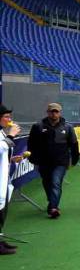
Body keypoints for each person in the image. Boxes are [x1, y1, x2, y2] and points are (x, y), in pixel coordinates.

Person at [27, 102, 79, 218]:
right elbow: (31, 143)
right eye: (52, 111)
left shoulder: (68, 127)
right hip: (44, 161)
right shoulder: (38, 126)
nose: (54, 114)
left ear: (60, 113)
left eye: (56, 111)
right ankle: (52, 200)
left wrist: (75, 158)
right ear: (48, 112)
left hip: (61, 161)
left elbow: (74, 144)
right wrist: (32, 157)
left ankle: (53, 207)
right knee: (47, 183)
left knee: (56, 182)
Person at [0, 105, 27, 254]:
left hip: (4, 178)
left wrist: (11, 159)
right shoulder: (5, 135)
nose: (9, 120)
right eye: (6, 117)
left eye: (10, 117)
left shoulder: (2, 133)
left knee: (2, 210)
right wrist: (11, 136)